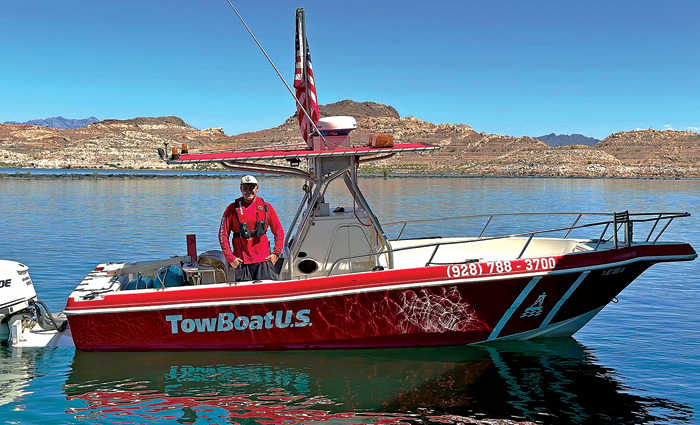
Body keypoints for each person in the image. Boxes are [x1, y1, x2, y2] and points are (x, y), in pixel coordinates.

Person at [219, 175, 284, 281]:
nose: (248, 191)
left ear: (257, 189)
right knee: (245, 295)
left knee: (267, 292)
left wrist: (276, 254)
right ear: (240, 189)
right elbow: (222, 235)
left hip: (264, 261)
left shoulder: (267, 208)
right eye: (245, 188)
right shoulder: (231, 209)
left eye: (251, 188)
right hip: (242, 262)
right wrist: (230, 258)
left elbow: (279, 232)